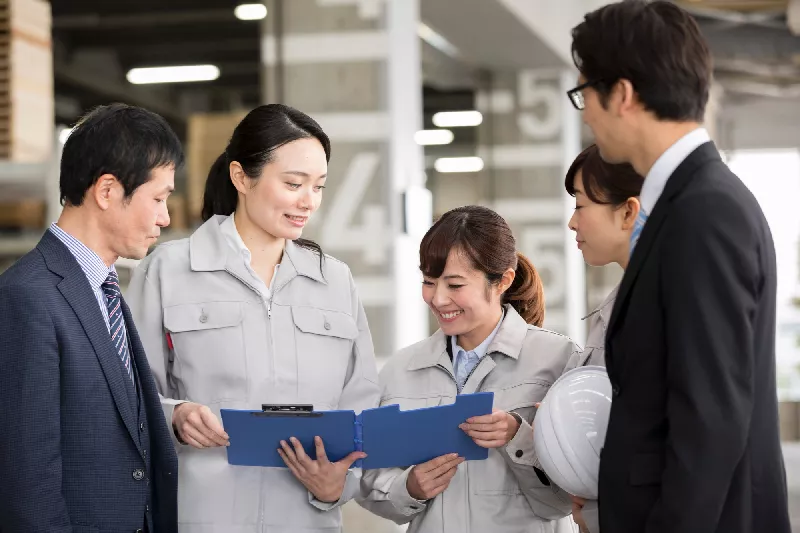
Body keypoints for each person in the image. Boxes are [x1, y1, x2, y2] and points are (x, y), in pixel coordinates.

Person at [568, 1, 791, 532]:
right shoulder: (689, 201)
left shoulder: (704, 211)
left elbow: (709, 421)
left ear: (621, 94)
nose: (584, 114)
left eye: (584, 94)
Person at [126, 103, 380, 533]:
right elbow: (127, 391)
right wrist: (175, 414)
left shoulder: (335, 282)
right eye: (294, 183)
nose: (308, 202)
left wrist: (338, 483)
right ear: (242, 177)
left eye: (318, 186)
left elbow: (362, 403)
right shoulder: (169, 270)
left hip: (307, 522)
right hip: (199, 520)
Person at [0, 103, 181, 532]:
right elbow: (27, 481)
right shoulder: (27, 297)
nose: (165, 217)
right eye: (157, 198)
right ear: (106, 191)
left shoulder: (106, 287)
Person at [359, 205, 579, 533]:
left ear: (503, 280)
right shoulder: (401, 370)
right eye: (429, 282)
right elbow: (368, 477)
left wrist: (520, 438)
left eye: (455, 285)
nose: (438, 299)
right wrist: (409, 487)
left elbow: (573, 494)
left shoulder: (557, 360)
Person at [561, 144, 644, 533]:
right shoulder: (618, 305)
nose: (572, 223)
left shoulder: (660, 307)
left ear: (628, 211)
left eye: (580, 205)